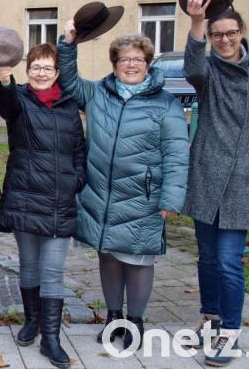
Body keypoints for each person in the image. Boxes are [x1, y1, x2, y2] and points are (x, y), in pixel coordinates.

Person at [57, 22, 189, 351]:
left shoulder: (165, 104)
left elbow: (176, 154)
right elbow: (69, 82)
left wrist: (171, 198)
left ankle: (136, 322)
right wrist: (68, 43)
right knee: (109, 257)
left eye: (138, 59)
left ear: (148, 64)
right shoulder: (99, 93)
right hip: (101, 193)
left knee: (138, 259)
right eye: (123, 59)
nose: (130, 64)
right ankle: (114, 319)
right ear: (114, 63)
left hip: (143, 196)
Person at [182, 0, 249, 366]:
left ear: (242, 32)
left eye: (230, 33)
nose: (224, 40)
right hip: (206, 176)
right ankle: (209, 318)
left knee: (228, 260)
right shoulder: (208, 69)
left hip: (241, 181)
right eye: (217, 35)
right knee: (207, 258)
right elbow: (192, 69)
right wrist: (196, 23)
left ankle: (230, 331)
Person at [0, 43, 85, 368]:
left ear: (57, 73)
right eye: (35, 67)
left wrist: (77, 179)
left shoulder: (69, 106)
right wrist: (4, 77)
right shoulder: (18, 99)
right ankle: (32, 321)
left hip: (59, 201)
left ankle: (51, 338)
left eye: (47, 68)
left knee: (53, 272)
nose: (41, 73)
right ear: (28, 70)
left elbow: (79, 150)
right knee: (29, 266)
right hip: (25, 197)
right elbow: (4, 104)